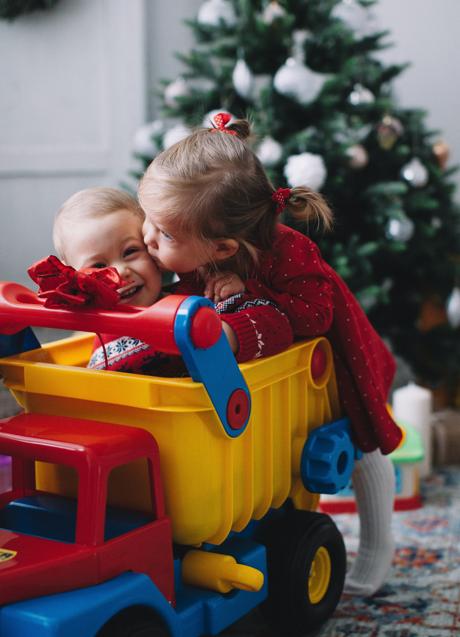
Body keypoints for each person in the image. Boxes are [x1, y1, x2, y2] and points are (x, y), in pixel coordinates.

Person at [138, 113, 402, 596]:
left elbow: (315, 314)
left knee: (360, 442)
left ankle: (377, 546)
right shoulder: (196, 255)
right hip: (279, 379)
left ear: (221, 247)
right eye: (147, 221)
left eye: (165, 234)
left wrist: (243, 311)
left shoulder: (289, 251)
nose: (148, 239)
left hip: (336, 360)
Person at [50, 186, 292, 372]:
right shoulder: (95, 331)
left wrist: (222, 335)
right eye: (99, 266)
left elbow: (278, 324)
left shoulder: (193, 302)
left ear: (153, 249)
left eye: (130, 252)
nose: (120, 271)